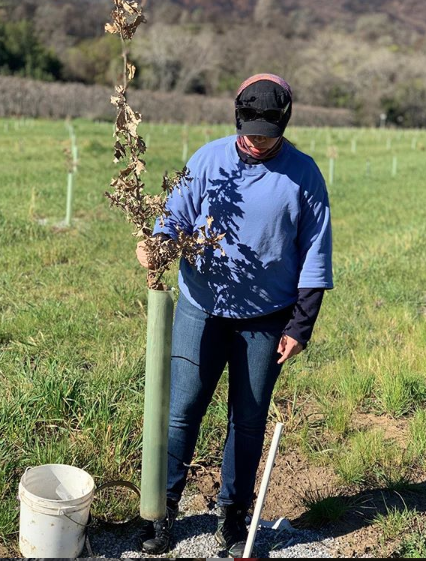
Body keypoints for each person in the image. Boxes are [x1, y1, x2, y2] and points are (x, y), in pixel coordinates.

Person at [135, 73, 333, 557]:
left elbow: (315, 254)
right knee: (181, 412)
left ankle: (232, 514)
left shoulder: (304, 175)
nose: (255, 140)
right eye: (248, 129)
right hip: (201, 309)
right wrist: (157, 244)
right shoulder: (208, 159)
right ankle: (162, 512)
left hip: (266, 318)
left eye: (267, 132)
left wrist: (299, 326)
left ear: (284, 123)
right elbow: (175, 217)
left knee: (247, 420)